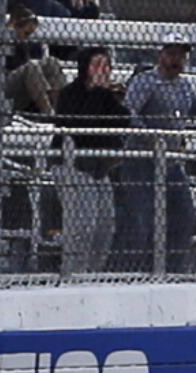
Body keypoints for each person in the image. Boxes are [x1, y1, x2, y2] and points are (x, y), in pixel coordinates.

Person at [117, 32, 196, 273]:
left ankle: (172, 270)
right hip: (143, 161)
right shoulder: (146, 81)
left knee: (184, 216)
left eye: (181, 54)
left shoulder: (183, 85)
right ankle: (131, 271)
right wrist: (149, 138)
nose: (176, 59)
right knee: (141, 221)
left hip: (171, 162)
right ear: (161, 55)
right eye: (171, 53)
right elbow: (129, 113)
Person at [51, 46, 128, 274]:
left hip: (98, 167)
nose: (102, 71)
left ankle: (92, 272)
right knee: (82, 225)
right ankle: (72, 272)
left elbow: (123, 122)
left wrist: (109, 95)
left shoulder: (108, 96)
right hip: (73, 164)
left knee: (104, 227)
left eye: (106, 66)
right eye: (96, 66)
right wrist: (96, 93)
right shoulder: (70, 93)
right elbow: (81, 127)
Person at [4, 4, 65, 116]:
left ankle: (60, 111)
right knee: (31, 66)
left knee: (52, 62)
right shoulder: (1, 41)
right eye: (26, 33)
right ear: (13, 26)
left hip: (32, 87)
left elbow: (40, 64)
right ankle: (48, 113)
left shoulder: (32, 44)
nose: (28, 37)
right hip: (5, 87)